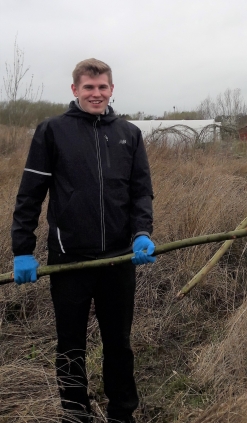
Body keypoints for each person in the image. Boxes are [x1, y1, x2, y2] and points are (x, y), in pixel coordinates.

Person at [11, 59, 156, 423]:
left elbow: (141, 192)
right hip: (69, 259)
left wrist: (141, 233)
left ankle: (122, 413)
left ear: (111, 90)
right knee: (71, 343)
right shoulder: (52, 131)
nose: (96, 94)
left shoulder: (129, 134)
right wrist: (23, 251)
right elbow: (30, 195)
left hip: (120, 259)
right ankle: (75, 413)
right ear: (75, 90)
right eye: (89, 87)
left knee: (118, 343)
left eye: (102, 87)